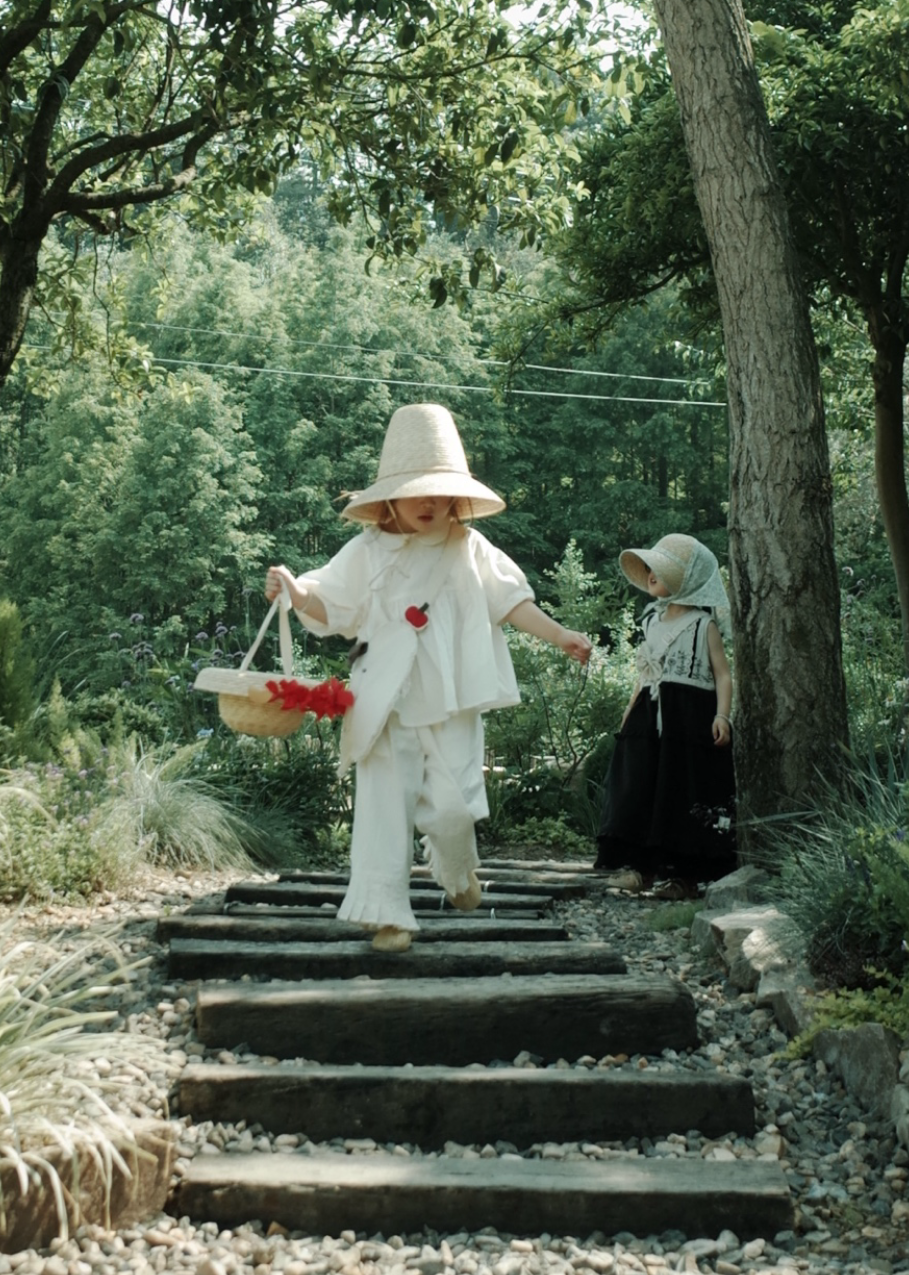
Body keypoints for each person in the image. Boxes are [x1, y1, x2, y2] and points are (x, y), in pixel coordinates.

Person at [264, 403, 591, 951]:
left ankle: (456, 868)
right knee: (382, 807)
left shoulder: (470, 547)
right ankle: (386, 913)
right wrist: (295, 590)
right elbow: (330, 605)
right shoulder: (367, 551)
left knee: (453, 808)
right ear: (390, 497)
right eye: (417, 491)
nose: (429, 502)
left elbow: (511, 601)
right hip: (384, 697)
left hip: (452, 698)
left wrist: (560, 635)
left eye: (439, 492)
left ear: (456, 497)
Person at [595, 532, 736, 895]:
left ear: (687, 580)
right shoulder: (651, 622)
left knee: (680, 788)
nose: (651, 574)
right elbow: (646, 674)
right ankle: (639, 868)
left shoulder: (703, 625)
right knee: (640, 785)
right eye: (650, 568)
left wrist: (722, 716)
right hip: (649, 714)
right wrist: (630, 712)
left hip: (688, 719)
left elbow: (723, 674)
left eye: (662, 569)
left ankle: (683, 874)